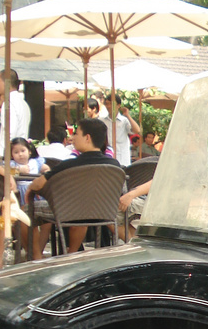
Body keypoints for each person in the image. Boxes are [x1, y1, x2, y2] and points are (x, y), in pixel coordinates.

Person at [27, 117, 116, 259]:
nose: (72, 137)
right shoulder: (114, 165)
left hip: (69, 212)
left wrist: (30, 190)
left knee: (24, 212)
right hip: (103, 212)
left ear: (87, 138)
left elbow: (38, 184)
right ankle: (72, 254)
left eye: (76, 134)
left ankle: (36, 257)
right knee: (81, 211)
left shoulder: (69, 165)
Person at [0, 69, 31, 158]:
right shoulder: (23, 103)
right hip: (20, 151)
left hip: (11, 154)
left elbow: (10, 131)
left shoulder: (9, 102)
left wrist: (7, 154)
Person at [10, 137, 48, 205]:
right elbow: (5, 170)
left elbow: (46, 168)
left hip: (34, 190)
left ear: (29, 151)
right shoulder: (13, 164)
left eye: (23, 151)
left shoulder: (35, 163)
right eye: (16, 152)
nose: (20, 154)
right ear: (12, 155)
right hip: (20, 191)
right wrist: (18, 170)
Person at [109, 95, 141, 166]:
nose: (108, 106)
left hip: (121, 158)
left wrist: (127, 115)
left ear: (118, 105)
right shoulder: (102, 120)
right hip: (108, 156)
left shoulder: (124, 120)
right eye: (107, 104)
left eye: (111, 104)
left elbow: (137, 130)